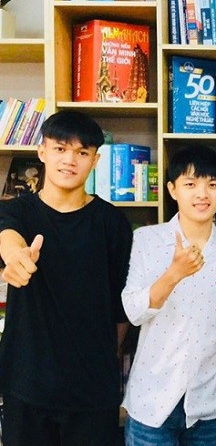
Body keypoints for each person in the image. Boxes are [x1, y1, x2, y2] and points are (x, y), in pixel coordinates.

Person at [0, 110, 133, 446]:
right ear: (42, 151)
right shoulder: (15, 211)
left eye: (82, 152)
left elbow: (121, 308)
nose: (69, 160)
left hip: (92, 389)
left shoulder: (113, 224)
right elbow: (8, 238)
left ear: (96, 160)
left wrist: (107, 360)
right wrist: (16, 257)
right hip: (26, 385)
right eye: (60, 148)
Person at [121, 145, 216, 445]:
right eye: (190, 184)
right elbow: (133, 311)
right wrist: (174, 274)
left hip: (207, 402)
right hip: (152, 401)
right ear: (172, 189)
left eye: (212, 185)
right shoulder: (147, 240)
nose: (202, 194)